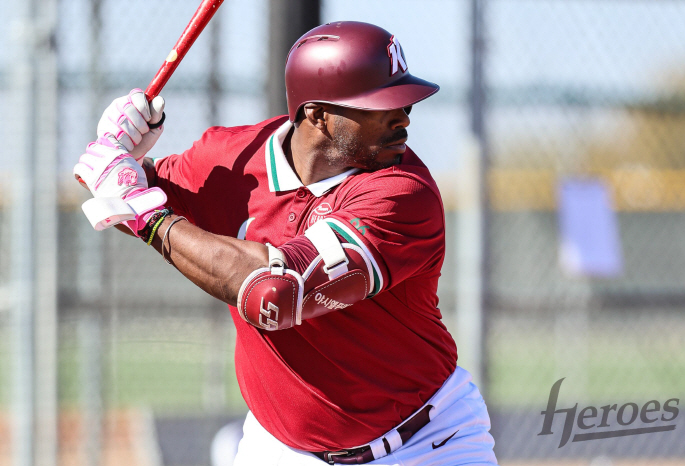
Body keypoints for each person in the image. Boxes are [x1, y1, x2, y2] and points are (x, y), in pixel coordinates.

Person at [74, 21, 498, 466]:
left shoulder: (403, 194)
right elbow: (119, 201)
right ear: (317, 115)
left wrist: (145, 211)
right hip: (280, 448)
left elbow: (274, 295)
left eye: (403, 100)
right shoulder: (230, 157)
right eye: (380, 105)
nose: (403, 117)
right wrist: (120, 158)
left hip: (421, 444)